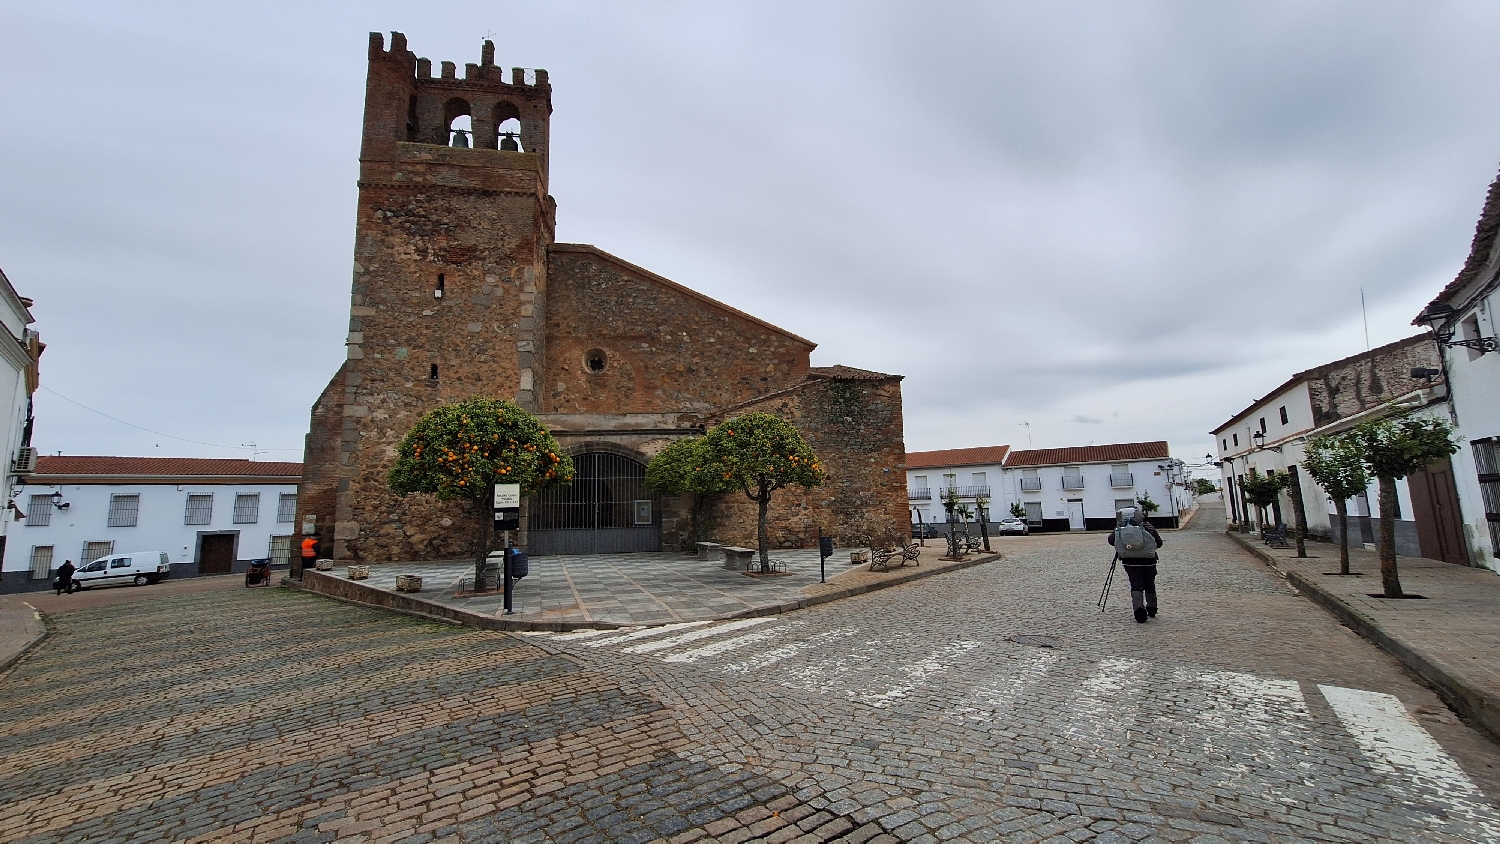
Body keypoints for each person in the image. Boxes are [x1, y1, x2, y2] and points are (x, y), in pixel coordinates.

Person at [1106, 506, 1163, 623]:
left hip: (1129, 562)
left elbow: (1111, 541)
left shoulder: (1120, 528)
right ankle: (1152, 608)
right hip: (1149, 561)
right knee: (1149, 584)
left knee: (1135, 584)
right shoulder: (1148, 526)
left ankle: (1138, 609)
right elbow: (1159, 543)